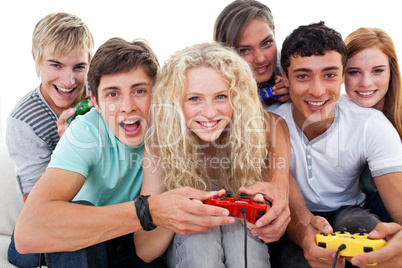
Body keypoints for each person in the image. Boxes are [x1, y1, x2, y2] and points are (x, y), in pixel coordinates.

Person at [13, 38, 234, 268]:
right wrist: (147, 210)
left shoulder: (171, 132)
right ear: (96, 104)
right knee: (84, 222)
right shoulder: (86, 133)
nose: (127, 106)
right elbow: (27, 233)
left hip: (126, 238)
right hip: (71, 235)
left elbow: (146, 249)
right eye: (112, 94)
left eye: (139, 91)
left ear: (157, 94)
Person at [133, 42, 291, 267]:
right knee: (201, 238)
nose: (209, 112)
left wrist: (266, 220)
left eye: (221, 97)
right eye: (194, 99)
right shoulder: (160, 142)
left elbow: (278, 126)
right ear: (176, 103)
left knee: (239, 232)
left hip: (241, 241)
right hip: (190, 248)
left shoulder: (253, 135)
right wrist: (178, 212)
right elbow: (145, 250)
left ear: (237, 99)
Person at [267, 21, 402, 267]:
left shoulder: (371, 124)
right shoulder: (270, 122)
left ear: (342, 75)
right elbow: (294, 210)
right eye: (303, 76)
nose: (317, 91)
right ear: (285, 77)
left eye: (329, 75)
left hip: (348, 209)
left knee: (365, 231)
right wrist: (305, 233)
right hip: (294, 218)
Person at [6, 12, 94, 267]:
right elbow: (39, 207)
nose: (68, 81)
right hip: (40, 224)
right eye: (55, 65)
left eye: (79, 67)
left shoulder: (102, 97)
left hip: (94, 212)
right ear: (37, 62)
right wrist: (71, 147)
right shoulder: (23, 121)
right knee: (72, 225)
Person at [344, 27, 402, 222]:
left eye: (377, 71)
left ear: (391, 71)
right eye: (354, 72)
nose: (366, 82)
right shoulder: (335, 113)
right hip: (360, 214)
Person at [213, 0, 290, 105]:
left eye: (266, 43)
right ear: (225, 54)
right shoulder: (212, 90)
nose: (260, 59)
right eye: (244, 50)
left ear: (274, 34)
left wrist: (298, 98)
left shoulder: (293, 70)